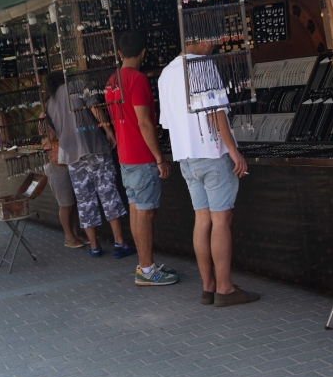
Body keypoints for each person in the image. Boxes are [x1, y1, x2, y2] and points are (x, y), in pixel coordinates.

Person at [159, 41, 259, 307]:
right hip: (212, 154)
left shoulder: (166, 73)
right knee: (221, 220)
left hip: (186, 158)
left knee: (202, 219)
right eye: (212, 40)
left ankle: (208, 287)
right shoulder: (201, 66)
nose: (214, 45)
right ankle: (224, 289)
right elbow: (215, 112)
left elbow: (168, 123)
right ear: (199, 40)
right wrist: (234, 150)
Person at [105, 31, 178, 285]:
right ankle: (147, 270)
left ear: (120, 53)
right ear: (143, 53)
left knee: (137, 211)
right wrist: (159, 158)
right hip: (142, 157)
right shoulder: (137, 80)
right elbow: (145, 122)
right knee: (145, 214)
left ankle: (144, 266)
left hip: (125, 157)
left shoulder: (111, 82)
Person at [45, 71, 130, 258]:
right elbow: (94, 107)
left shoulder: (49, 104)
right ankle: (119, 242)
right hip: (95, 147)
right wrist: (107, 129)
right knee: (108, 193)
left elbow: (54, 133)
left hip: (73, 157)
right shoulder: (78, 86)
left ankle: (94, 246)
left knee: (85, 201)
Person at [42, 129, 88, 248]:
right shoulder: (49, 117)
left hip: (67, 163)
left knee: (71, 203)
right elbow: (49, 136)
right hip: (56, 165)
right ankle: (69, 237)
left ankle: (75, 234)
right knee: (65, 204)